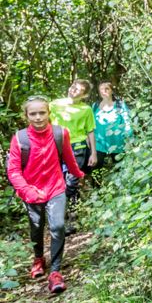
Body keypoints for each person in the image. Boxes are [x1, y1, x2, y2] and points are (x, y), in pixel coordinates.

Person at [7, 96, 85, 294]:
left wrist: (78, 174)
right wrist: (26, 190)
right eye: (33, 114)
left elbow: (69, 158)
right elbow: (13, 170)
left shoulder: (60, 133)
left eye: (42, 112)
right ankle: (38, 258)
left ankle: (56, 271)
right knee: (36, 227)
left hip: (56, 188)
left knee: (58, 226)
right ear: (27, 116)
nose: (38, 117)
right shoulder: (20, 138)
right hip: (30, 192)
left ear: (49, 113)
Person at [49, 79, 97, 233]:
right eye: (73, 86)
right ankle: (59, 219)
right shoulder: (54, 105)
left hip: (78, 148)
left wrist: (94, 153)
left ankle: (71, 219)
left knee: (71, 183)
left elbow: (90, 131)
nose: (73, 90)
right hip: (57, 147)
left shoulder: (86, 109)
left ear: (84, 95)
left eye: (78, 90)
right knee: (59, 183)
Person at [91, 80, 132, 170]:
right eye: (101, 89)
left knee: (120, 170)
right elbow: (90, 125)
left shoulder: (120, 105)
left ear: (111, 91)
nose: (104, 91)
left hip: (117, 144)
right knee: (96, 170)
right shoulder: (95, 106)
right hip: (99, 145)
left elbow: (128, 123)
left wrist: (129, 141)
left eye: (107, 89)